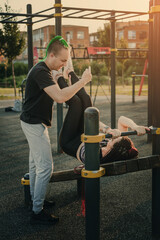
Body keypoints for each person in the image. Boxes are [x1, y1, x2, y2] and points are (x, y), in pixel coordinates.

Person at [20, 35, 92, 225]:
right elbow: (60, 97)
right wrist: (83, 81)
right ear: (51, 55)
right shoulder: (40, 72)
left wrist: (69, 72)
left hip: (34, 122)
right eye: (61, 60)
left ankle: (37, 201)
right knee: (45, 167)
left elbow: (64, 88)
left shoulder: (46, 69)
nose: (62, 64)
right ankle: (37, 211)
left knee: (36, 166)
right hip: (33, 124)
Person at [55, 62, 149, 165]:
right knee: (86, 99)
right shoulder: (120, 148)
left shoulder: (97, 156)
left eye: (112, 141)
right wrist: (135, 127)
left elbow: (96, 126)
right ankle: (70, 72)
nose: (110, 140)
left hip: (69, 140)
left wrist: (108, 130)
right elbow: (122, 120)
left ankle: (57, 76)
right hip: (84, 133)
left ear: (113, 150)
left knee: (76, 103)